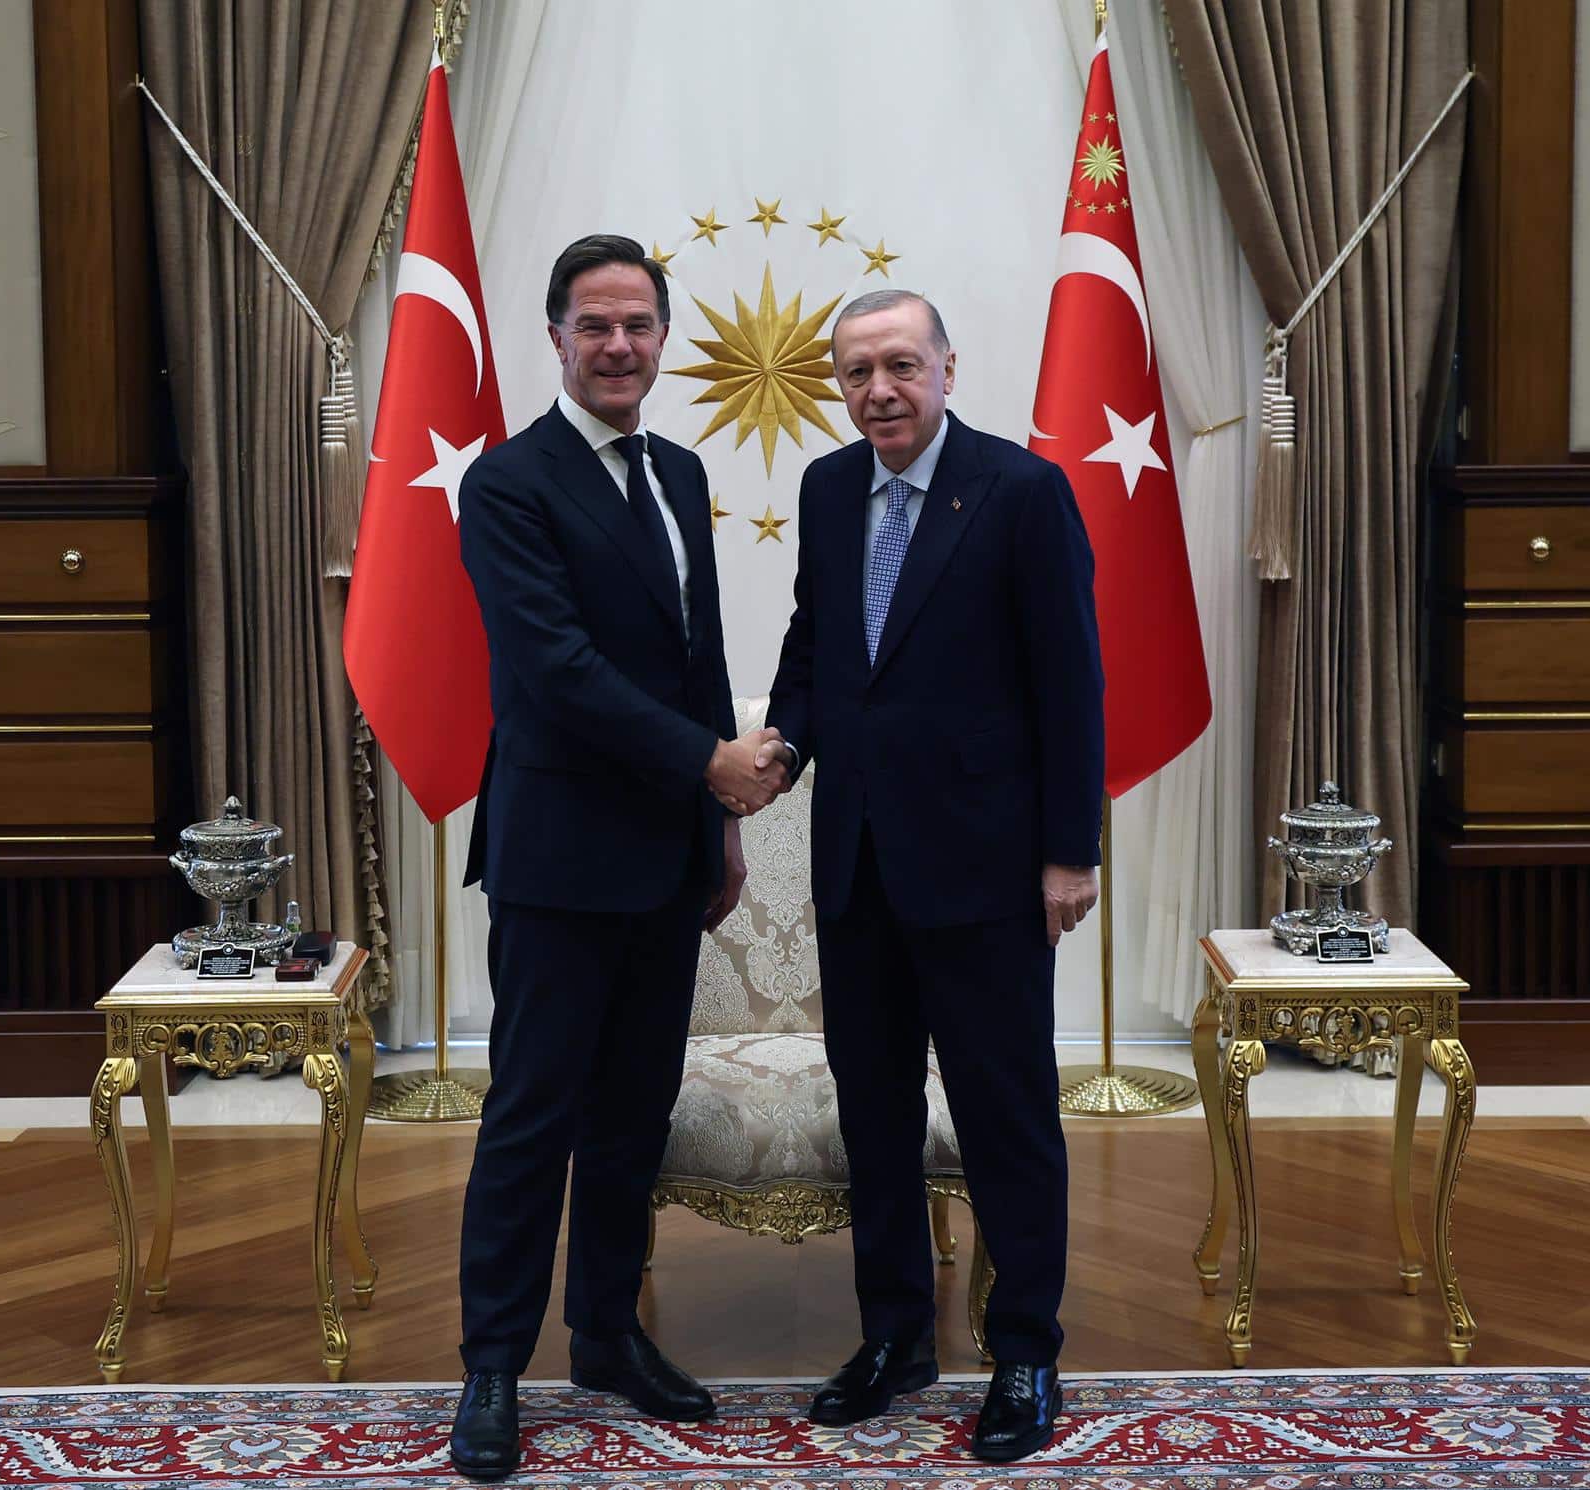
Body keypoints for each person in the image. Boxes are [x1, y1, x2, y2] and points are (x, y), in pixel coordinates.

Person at [449, 233, 789, 1481]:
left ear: (661, 338)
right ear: (555, 337)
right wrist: (708, 766)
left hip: (664, 861)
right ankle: (492, 1366)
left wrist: (724, 827)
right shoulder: (509, 483)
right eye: (595, 325)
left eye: (639, 324)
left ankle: (604, 1335)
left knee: (632, 1116)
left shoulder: (681, 468)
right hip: (556, 861)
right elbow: (558, 673)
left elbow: (696, 666)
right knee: (533, 1115)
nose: (618, 346)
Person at [761, 289, 1105, 1463]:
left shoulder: (1020, 492)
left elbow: (1072, 684)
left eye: (901, 365)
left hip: (987, 875)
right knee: (877, 1116)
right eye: (857, 372)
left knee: (1007, 1118)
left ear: (948, 367)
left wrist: (1071, 850)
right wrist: (781, 746)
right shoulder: (825, 488)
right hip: (855, 867)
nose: (879, 392)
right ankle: (897, 1334)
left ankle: (1023, 1348)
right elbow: (816, 647)